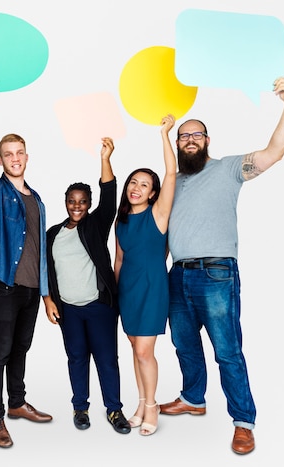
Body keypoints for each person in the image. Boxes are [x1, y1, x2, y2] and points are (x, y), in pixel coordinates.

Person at [158, 77, 284, 455]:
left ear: (207, 140)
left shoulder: (229, 168)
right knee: (184, 345)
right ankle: (192, 398)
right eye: (183, 136)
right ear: (177, 144)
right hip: (177, 276)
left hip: (216, 275)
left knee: (227, 351)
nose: (189, 140)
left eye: (196, 135)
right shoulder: (172, 182)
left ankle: (243, 421)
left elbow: (275, 151)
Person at [0, 80, 52, 448]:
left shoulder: (36, 198)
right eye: (8, 154)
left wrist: (46, 293)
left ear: (27, 156)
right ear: (2, 160)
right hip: (3, 285)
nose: (14, 157)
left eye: (19, 152)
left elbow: (39, 250)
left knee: (21, 349)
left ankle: (17, 403)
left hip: (31, 290)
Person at [44, 138, 132, 436]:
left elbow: (110, 197)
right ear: (65, 202)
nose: (77, 206)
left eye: (82, 201)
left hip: (98, 307)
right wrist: (48, 300)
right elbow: (47, 270)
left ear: (89, 204)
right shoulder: (53, 233)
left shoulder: (95, 224)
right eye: (72, 201)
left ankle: (114, 410)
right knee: (77, 357)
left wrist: (105, 158)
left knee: (107, 359)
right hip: (68, 309)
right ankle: (80, 407)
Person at [113, 114, 177, 436]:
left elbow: (170, 172)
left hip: (153, 288)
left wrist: (164, 134)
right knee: (134, 349)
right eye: (133, 182)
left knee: (144, 351)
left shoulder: (159, 213)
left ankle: (152, 406)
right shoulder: (120, 221)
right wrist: (114, 294)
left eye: (144, 185)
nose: (136, 188)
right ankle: (140, 402)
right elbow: (119, 260)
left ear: (153, 193)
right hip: (128, 291)